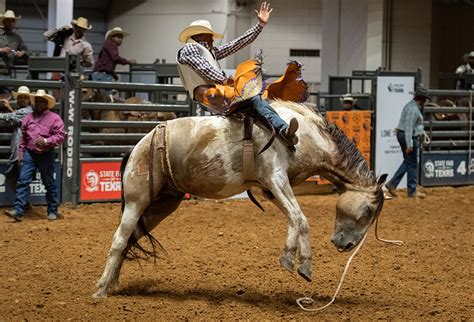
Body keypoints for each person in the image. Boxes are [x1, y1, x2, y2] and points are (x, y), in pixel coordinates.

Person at [176, 2, 298, 146]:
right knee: (253, 99)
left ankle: (274, 135)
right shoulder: (190, 48)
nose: (212, 39)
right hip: (207, 92)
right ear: (198, 36)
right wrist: (228, 80)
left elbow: (236, 44)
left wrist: (260, 26)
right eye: (209, 35)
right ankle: (282, 129)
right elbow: (205, 69)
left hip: (215, 91)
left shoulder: (209, 52)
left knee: (254, 100)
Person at [5, 90, 65, 222]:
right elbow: (23, 139)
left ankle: (52, 210)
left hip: (46, 153)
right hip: (30, 153)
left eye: (41, 101)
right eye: (36, 101)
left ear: (46, 103)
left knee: (48, 182)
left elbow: (60, 135)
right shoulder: (28, 118)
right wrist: (21, 153)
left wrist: (46, 141)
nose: (38, 103)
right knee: (23, 181)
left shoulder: (54, 118)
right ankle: (19, 210)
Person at [385, 86, 429, 199]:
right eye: (425, 99)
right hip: (408, 136)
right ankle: (411, 190)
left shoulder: (410, 106)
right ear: (422, 99)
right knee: (412, 163)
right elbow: (409, 127)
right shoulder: (413, 109)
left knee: (408, 162)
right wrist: (409, 144)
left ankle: (393, 184)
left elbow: (408, 124)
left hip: (404, 134)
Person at [0, 86, 33, 190]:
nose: (22, 99)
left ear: (28, 100)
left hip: (22, 151)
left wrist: (8, 107)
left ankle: (22, 204)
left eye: (25, 97)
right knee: (12, 177)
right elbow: (13, 118)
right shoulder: (21, 112)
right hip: (18, 150)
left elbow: (9, 117)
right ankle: (24, 204)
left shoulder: (28, 111)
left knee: (20, 178)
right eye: (20, 97)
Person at [0, 10, 28, 89]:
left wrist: (22, 53)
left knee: (6, 97)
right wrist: (1, 50)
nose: (10, 23)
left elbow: (26, 50)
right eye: (8, 20)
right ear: (4, 21)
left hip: (7, 73)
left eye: (12, 21)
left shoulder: (17, 37)